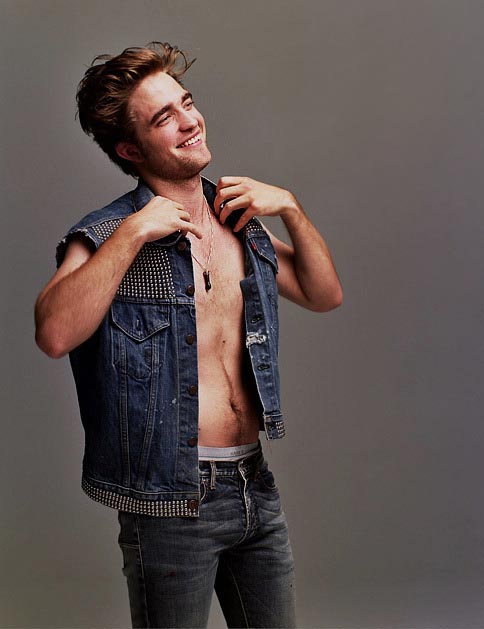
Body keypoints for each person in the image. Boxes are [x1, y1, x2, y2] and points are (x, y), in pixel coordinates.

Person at [34, 41, 342, 629]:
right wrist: (132, 234)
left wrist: (291, 209)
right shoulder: (106, 233)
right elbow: (53, 332)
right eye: (163, 118)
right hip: (171, 499)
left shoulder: (238, 221)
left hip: (254, 484)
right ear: (130, 149)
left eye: (187, 103)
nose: (189, 121)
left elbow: (323, 293)